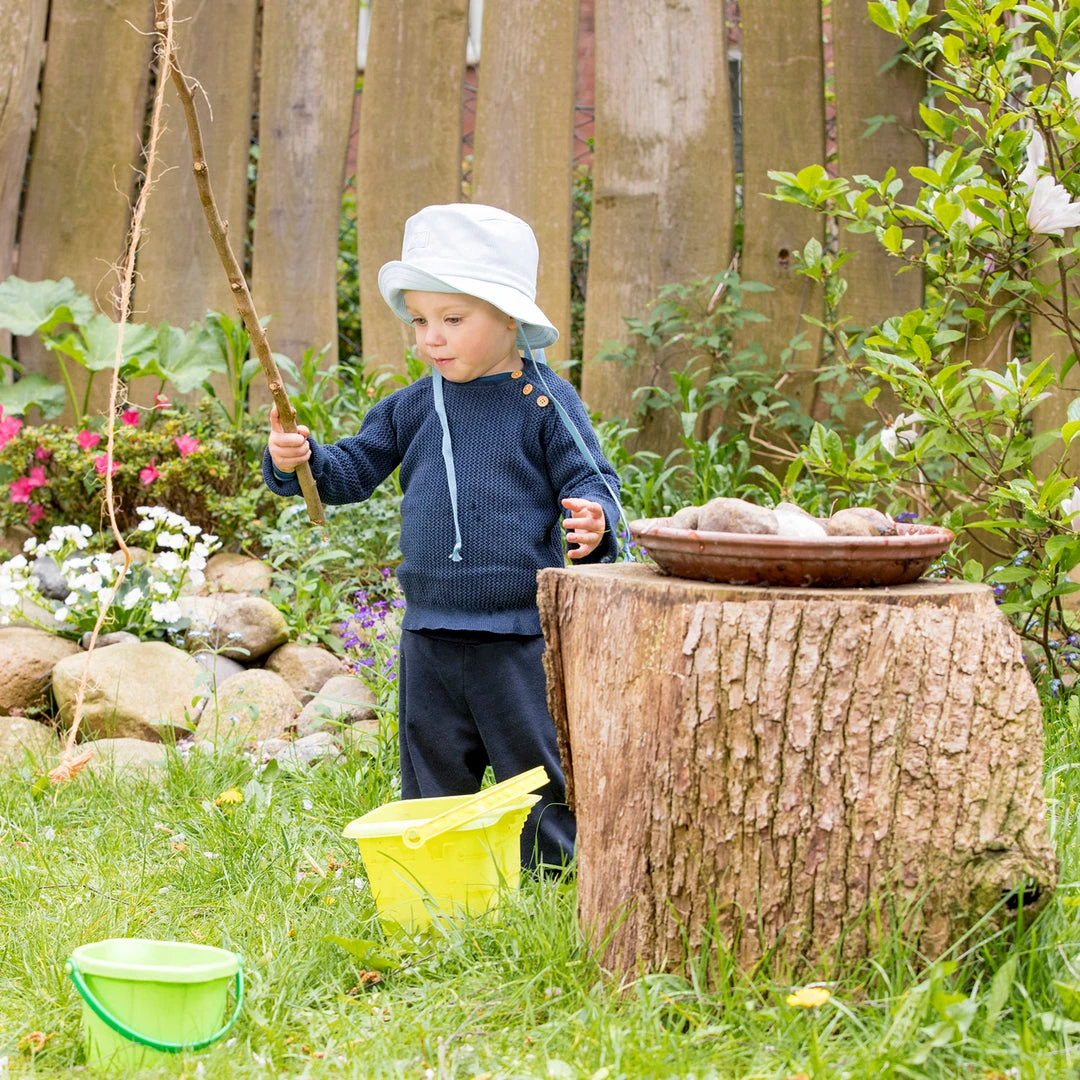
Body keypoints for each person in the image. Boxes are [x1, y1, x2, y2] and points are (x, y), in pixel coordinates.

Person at [264, 203, 622, 869]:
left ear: (507, 314)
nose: (432, 336)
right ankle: (436, 883)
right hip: (429, 631)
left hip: (518, 633)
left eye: (452, 319)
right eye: (421, 320)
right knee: (431, 774)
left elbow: (591, 474)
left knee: (534, 773)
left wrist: (595, 520)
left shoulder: (543, 401)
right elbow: (349, 471)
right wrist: (301, 461)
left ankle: (553, 881)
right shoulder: (412, 405)